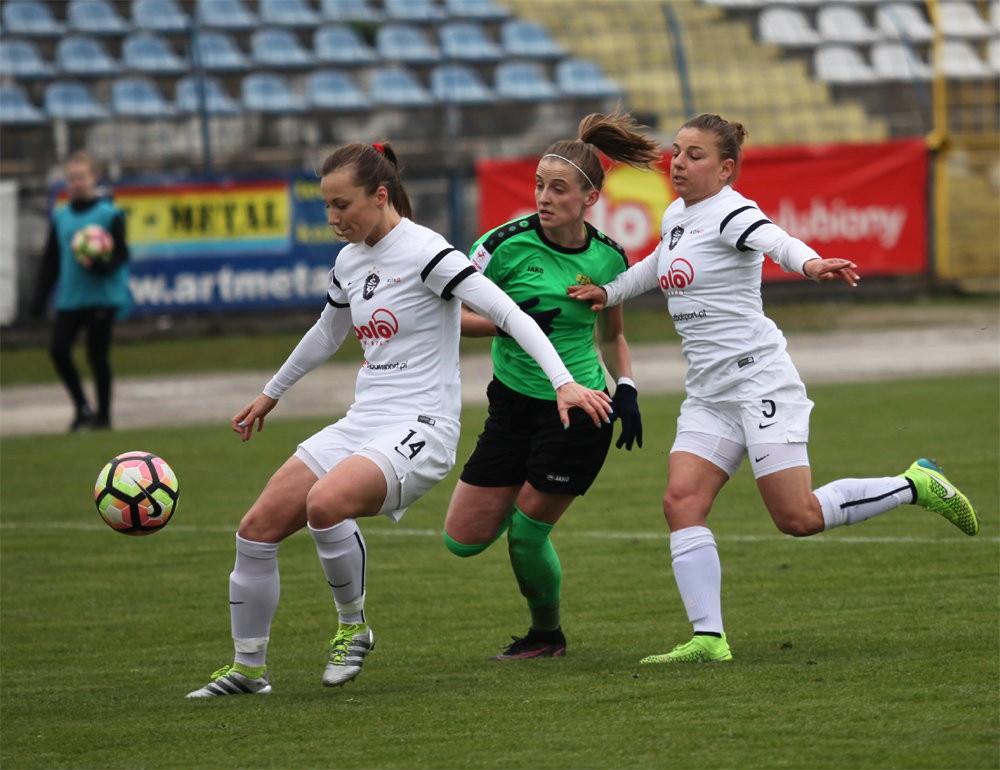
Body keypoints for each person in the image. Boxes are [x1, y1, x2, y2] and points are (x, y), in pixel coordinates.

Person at [186, 142, 612, 698]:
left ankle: (353, 628)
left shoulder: (427, 253)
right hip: (364, 420)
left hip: (423, 426)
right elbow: (326, 333)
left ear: (380, 195)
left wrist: (562, 382)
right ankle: (248, 671)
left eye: (342, 205)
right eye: (327, 207)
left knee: (325, 504)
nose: (334, 218)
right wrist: (271, 394)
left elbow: (509, 313)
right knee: (255, 529)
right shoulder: (349, 261)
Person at [567, 113, 980, 665]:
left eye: (694, 155)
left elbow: (774, 240)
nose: (679, 163)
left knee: (797, 518)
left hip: (759, 380)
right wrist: (609, 291)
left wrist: (810, 263)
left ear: (726, 169)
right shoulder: (676, 216)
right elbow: (656, 265)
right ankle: (708, 639)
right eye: (678, 152)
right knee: (681, 502)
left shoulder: (732, 211)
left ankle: (916, 484)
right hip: (709, 394)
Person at [443, 110, 661, 660]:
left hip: (580, 410)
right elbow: (448, 317)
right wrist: (509, 323)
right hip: (511, 405)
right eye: (539, 184)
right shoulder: (501, 246)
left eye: (558, 188)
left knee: (526, 535)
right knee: (461, 540)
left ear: (590, 198)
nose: (543, 197)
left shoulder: (609, 256)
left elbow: (613, 336)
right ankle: (528, 490)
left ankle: (547, 636)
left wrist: (627, 387)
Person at [31, 150, 130, 431]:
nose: (76, 182)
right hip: (71, 299)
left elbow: (121, 255)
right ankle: (82, 407)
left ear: (94, 178)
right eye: (72, 177)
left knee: (97, 357)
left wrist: (100, 264)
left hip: (102, 297)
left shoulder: (109, 214)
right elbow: (51, 260)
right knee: (59, 350)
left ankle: (104, 417)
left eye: (81, 177)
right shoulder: (61, 216)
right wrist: (39, 298)